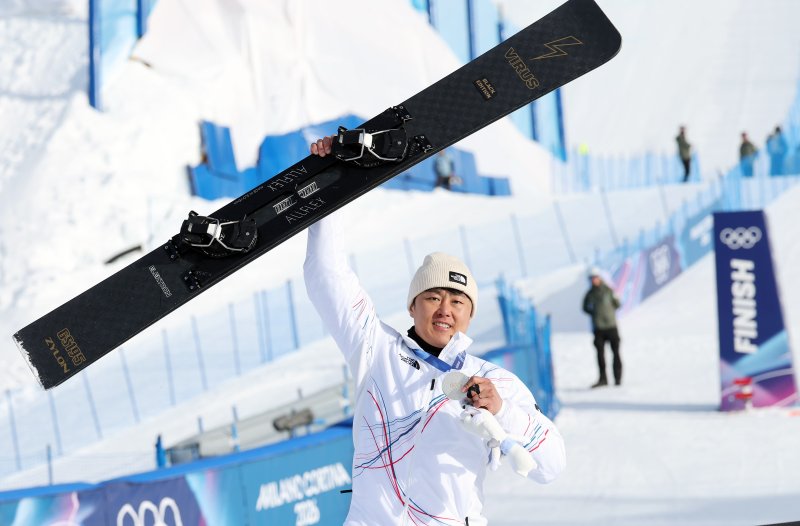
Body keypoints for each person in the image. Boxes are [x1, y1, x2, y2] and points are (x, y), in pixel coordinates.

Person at [306, 137, 566, 526]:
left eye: (458, 302)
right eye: (433, 297)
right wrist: (331, 182)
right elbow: (326, 275)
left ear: (470, 315)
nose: (445, 309)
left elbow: (552, 465)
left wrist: (502, 412)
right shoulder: (376, 349)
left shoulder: (494, 383)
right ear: (413, 305)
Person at [582, 267, 622, 388]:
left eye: (595, 278)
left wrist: (608, 313)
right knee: (600, 354)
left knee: (616, 353)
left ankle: (618, 378)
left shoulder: (609, 290)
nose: (594, 280)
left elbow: (617, 304)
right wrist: (595, 314)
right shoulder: (589, 295)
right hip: (599, 328)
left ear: (600, 278)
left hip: (611, 326)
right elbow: (585, 308)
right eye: (592, 278)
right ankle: (603, 379)